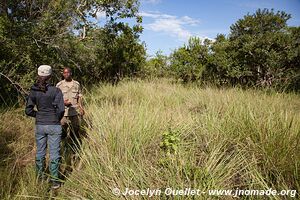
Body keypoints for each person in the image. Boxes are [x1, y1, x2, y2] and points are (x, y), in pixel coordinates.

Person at [25, 65, 65, 189]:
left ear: (38, 75)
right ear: (50, 76)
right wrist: (54, 118)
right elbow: (61, 110)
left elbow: (28, 110)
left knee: (40, 152)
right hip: (54, 124)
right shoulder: (56, 90)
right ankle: (55, 181)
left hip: (40, 125)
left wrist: (39, 115)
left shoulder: (33, 91)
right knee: (54, 153)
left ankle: (40, 178)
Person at [56, 67, 85, 171]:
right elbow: (56, 98)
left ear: (71, 73)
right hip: (63, 113)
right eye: (64, 72)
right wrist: (62, 103)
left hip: (74, 112)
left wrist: (81, 108)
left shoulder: (76, 84)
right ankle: (63, 149)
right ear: (63, 74)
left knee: (75, 131)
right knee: (62, 132)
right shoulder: (59, 85)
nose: (66, 74)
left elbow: (79, 97)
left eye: (68, 72)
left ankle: (75, 150)